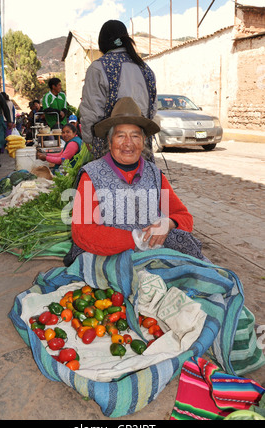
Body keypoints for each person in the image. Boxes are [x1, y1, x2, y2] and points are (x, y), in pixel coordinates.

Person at [69, 97, 209, 263]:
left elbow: (184, 217)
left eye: (135, 136)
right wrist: (135, 239)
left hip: (153, 254)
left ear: (143, 142)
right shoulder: (92, 175)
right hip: (105, 257)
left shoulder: (154, 175)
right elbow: (82, 231)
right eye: (121, 136)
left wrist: (168, 222)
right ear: (109, 140)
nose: (128, 144)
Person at [79, 20, 158, 160]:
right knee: (140, 179)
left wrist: (88, 139)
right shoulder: (145, 69)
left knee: (108, 180)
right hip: (140, 146)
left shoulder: (98, 67)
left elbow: (91, 111)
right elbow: (152, 109)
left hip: (109, 148)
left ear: (102, 42)